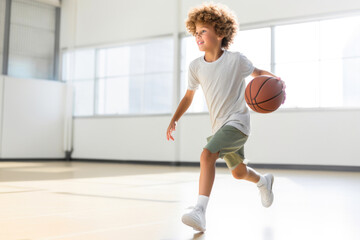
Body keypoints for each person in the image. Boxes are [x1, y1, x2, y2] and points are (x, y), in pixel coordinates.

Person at [166, 2, 285, 232]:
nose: (198, 36)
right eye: (196, 32)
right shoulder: (195, 67)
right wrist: (175, 118)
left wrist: (278, 82)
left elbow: (259, 74)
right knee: (238, 173)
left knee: (206, 154)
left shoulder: (236, 60)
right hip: (220, 126)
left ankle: (199, 211)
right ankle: (264, 181)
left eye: (204, 31)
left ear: (220, 33)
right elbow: (189, 97)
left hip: (238, 124)